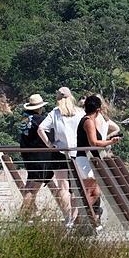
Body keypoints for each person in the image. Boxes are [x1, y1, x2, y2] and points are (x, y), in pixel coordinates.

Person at [18, 94, 71, 220]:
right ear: (40, 107)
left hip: (28, 156)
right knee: (33, 188)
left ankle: (28, 214)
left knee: (31, 185)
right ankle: (22, 216)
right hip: (41, 157)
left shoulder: (25, 119)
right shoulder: (40, 120)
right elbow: (50, 134)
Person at [38, 87, 85, 225]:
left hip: (60, 151)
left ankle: (67, 217)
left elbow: (41, 128)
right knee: (76, 186)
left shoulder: (55, 112)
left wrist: (49, 144)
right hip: (78, 151)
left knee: (63, 186)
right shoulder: (80, 112)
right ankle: (75, 216)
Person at [76, 95, 122, 219]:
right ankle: (78, 218)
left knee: (95, 191)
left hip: (85, 159)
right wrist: (111, 142)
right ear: (98, 109)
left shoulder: (86, 120)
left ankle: (89, 219)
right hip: (84, 159)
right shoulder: (88, 121)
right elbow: (94, 143)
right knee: (91, 191)